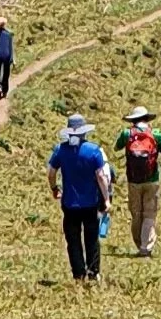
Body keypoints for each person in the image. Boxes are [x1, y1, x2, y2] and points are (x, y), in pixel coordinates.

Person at [48, 112, 112, 281]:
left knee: (73, 239)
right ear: (84, 132)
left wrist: (54, 188)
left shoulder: (60, 150)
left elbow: (51, 172)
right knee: (91, 238)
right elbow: (101, 176)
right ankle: (93, 271)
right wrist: (106, 198)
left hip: (69, 203)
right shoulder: (93, 150)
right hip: (90, 203)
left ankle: (78, 273)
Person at [116, 105, 161, 257]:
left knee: (136, 213)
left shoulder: (127, 133)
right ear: (147, 119)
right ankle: (145, 247)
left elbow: (116, 148)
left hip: (133, 180)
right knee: (149, 214)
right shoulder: (156, 134)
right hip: (152, 180)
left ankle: (139, 243)